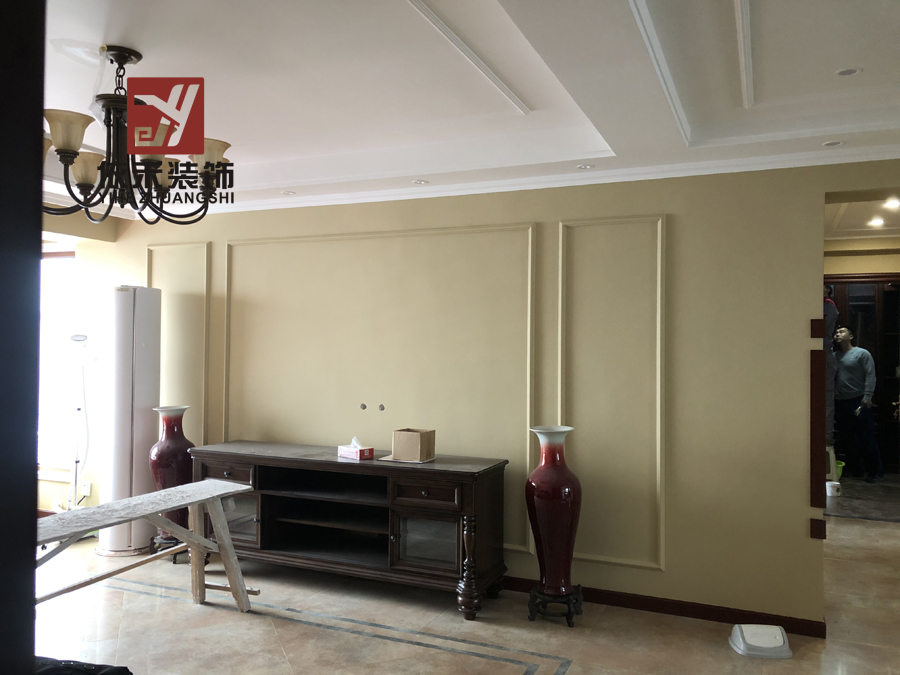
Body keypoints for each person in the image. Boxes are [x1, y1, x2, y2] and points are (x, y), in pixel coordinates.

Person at [833, 326, 884, 482]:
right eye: (836, 332)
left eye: (842, 332)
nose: (838, 334)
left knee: (866, 437)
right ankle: (856, 470)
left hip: (859, 400)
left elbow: (870, 375)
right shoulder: (834, 356)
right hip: (840, 401)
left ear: (851, 336)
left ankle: (875, 472)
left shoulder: (862, 353)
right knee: (847, 438)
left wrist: (868, 396)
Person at [824, 286, 839, 452]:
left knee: (826, 398)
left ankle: (827, 439)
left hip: (824, 353)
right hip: (820, 352)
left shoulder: (828, 305)